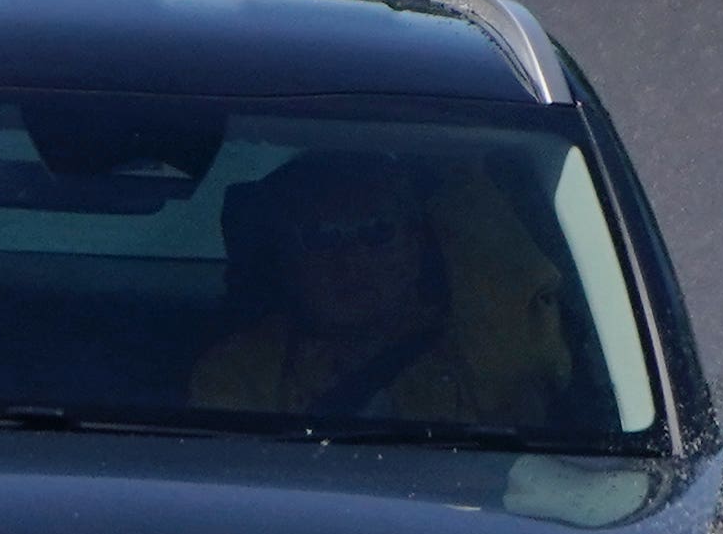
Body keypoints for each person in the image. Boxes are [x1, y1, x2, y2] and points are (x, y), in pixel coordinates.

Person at [189, 152, 574, 426]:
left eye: (376, 232)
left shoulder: (483, 345)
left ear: (415, 245)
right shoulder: (240, 370)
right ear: (286, 258)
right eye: (321, 236)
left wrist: (448, 159)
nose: (351, 259)